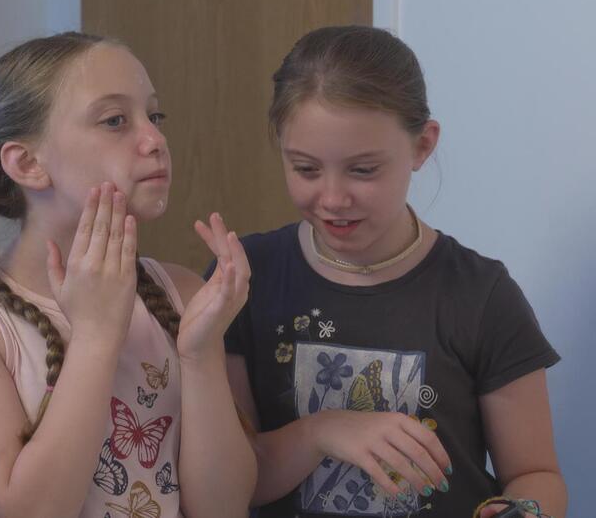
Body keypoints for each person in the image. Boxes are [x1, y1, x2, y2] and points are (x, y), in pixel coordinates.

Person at [219, 25, 566, 518]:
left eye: (363, 170)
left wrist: (522, 509)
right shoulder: (243, 278)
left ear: (422, 146)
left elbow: (537, 474)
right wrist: (321, 431)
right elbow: (229, 486)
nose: (333, 199)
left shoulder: (481, 294)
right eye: (306, 169)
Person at [0, 32, 256, 518]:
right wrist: (95, 337)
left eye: (154, 116)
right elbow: (33, 511)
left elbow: (223, 508)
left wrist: (199, 356)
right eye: (115, 120)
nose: (155, 140)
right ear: (27, 163)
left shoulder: (180, 293)